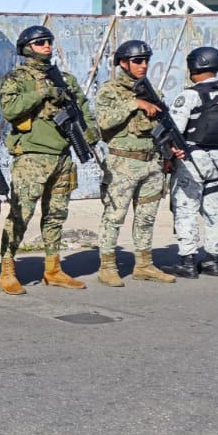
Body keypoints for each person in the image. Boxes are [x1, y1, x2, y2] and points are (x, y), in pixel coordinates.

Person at [0, 24, 99, 293]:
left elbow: (83, 108)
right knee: (21, 214)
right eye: (41, 42)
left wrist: (90, 132)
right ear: (27, 48)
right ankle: (7, 269)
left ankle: (53, 268)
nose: (47, 47)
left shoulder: (64, 79)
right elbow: (10, 110)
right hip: (32, 156)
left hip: (62, 156)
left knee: (56, 215)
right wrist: (43, 92)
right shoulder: (15, 78)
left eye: (49, 42)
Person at [92, 39, 176, 287]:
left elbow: (163, 127)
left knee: (146, 217)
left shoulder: (152, 91)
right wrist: (134, 104)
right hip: (123, 164)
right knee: (114, 216)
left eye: (146, 60)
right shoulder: (110, 91)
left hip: (152, 163)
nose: (143, 65)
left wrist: (171, 152)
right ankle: (107, 266)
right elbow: (104, 123)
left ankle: (144, 264)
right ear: (123, 63)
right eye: (138, 61)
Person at [170, 45, 218, 278]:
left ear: (195, 67)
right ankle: (213, 259)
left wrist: (167, 157)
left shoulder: (189, 95)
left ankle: (187, 261)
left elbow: (174, 131)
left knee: (186, 208)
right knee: (213, 210)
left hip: (193, 158)